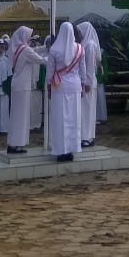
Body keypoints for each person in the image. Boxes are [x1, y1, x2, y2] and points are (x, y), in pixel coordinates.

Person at [47, 21, 86, 162]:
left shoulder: (54, 49)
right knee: (73, 119)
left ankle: (61, 151)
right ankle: (71, 150)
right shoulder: (80, 48)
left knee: (60, 119)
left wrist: (48, 87)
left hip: (59, 86)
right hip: (75, 86)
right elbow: (83, 70)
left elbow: (50, 72)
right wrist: (83, 85)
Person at [6, 25, 46, 155]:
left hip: (17, 84)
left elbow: (34, 50)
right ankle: (17, 144)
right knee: (21, 116)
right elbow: (40, 59)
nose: (29, 38)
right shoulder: (25, 50)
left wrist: (45, 47)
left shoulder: (17, 48)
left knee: (16, 116)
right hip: (23, 86)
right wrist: (52, 57)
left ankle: (13, 143)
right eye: (28, 35)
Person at [77, 21, 101, 147]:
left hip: (88, 84)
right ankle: (88, 136)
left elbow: (90, 67)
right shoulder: (85, 44)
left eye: (80, 31)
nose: (79, 34)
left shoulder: (90, 45)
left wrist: (87, 83)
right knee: (88, 110)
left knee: (87, 111)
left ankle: (86, 137)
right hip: (88, 83)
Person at [96, 48, 109, 124]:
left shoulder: (101, 51)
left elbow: (105, 65)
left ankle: (102, 117)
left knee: (101, 97)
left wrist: (104, 77)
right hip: (91, 79)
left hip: (99, 77)